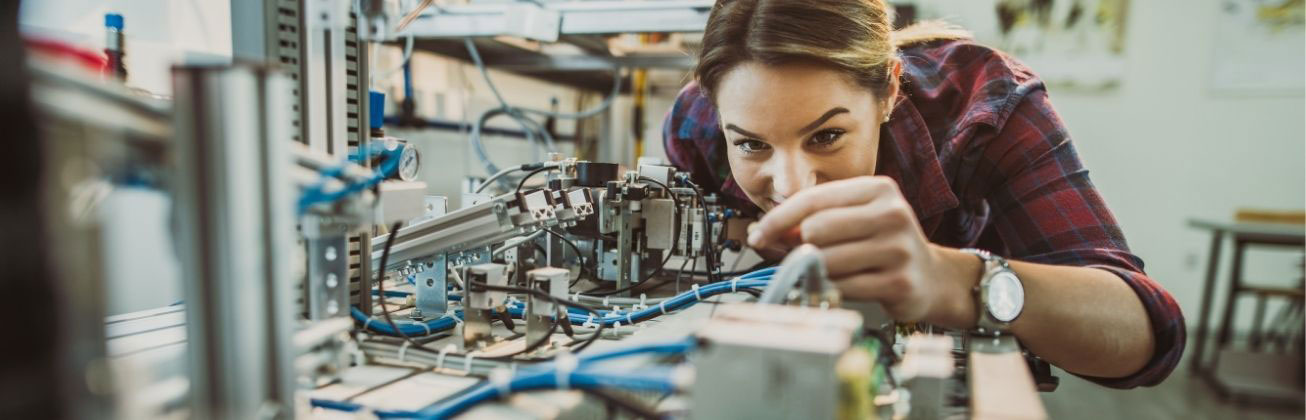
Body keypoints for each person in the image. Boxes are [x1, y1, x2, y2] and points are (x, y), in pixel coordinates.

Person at [662, 0, 1183, 388]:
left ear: (889, 90)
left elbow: (1147, 334)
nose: (793, 186)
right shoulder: (696, 123)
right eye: (752, 145)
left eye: (826, 136)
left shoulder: (989, 106)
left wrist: (952, 279)